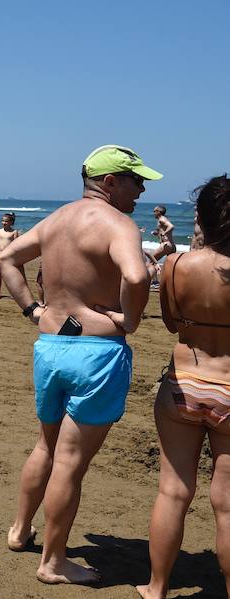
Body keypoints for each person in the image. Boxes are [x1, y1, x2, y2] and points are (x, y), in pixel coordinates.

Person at [0, 144, 161, 585]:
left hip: (51, 344)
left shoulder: (55, 221)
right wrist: (130, 319)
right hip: (96, 351)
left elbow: (6, 258)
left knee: (45, 446)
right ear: (109, 182)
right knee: (70, 460)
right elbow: (137, 276)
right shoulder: (119, 224)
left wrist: (32, 310)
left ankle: (19, 530)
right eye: (135, 179)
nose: (141, 189)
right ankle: (53, 561)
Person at [135, 175, 230, 599]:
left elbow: (173, 323)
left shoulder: (174, 265)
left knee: (173, 491)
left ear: (201, 217)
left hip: (183, 384)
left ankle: (157, 587)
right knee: (226, 504)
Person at [0, 213, 23, 299]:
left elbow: (16, 244)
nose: (4, 223)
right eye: (3, 221)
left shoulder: (14, 232)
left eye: (6, 221)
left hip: (8, 255)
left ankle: (12, 292)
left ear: (11, 222)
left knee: (9, 274)